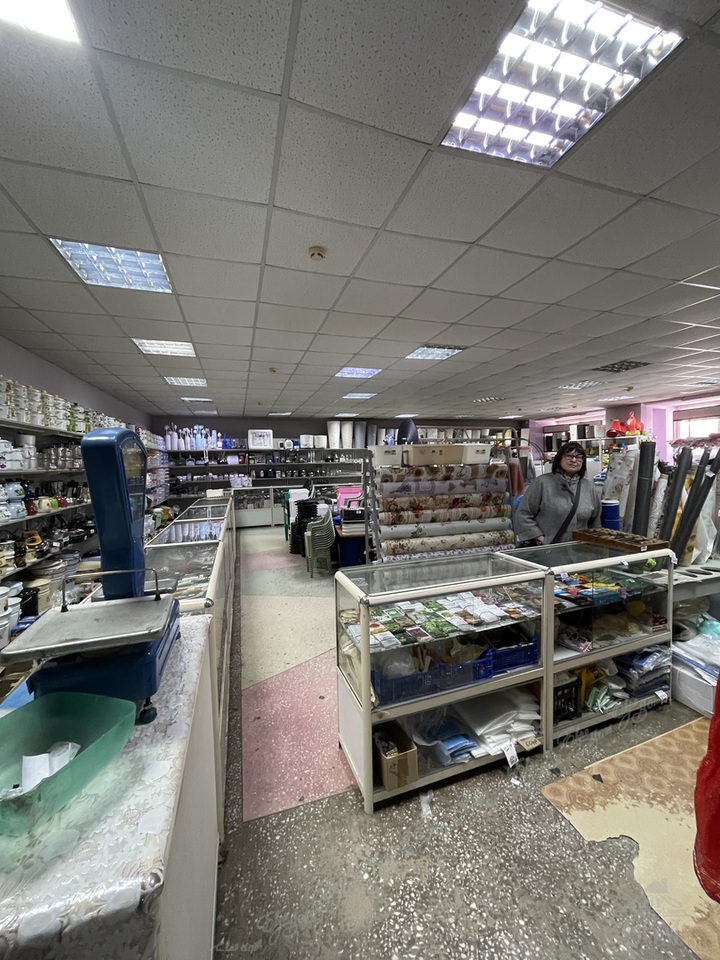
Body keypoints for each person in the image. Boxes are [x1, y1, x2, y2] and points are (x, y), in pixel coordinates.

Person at [514, 442, 601, 545]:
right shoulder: (542, 483)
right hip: (550, 549)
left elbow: (595, 521)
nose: (574, 460)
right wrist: (541, 539)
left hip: (580, 550)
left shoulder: (588, 486)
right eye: (569, 456)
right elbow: (523, 515)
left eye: (579, 457)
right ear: (559, 458)